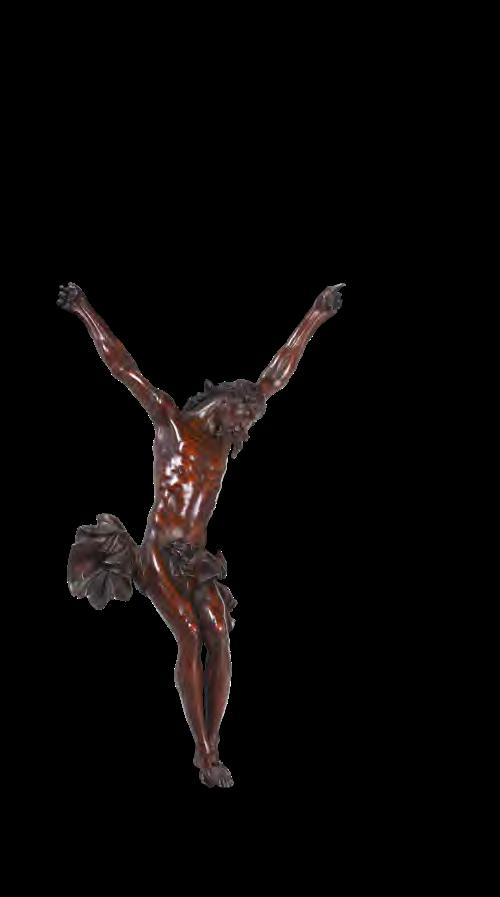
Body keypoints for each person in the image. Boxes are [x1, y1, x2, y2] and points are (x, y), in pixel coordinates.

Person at [58, 279, 344, 788]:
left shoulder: (222, 439)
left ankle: (211, 744)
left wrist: (316, 316)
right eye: (241, 419)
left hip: (195, 558)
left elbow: (276, 376)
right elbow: (123, 366)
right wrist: (84, 310)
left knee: (220, 635)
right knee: (189, 636)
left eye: (248, 423)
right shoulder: (172, 425)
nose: (243, 431)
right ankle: (205, 752)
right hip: (157, 555)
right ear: (226, 403)